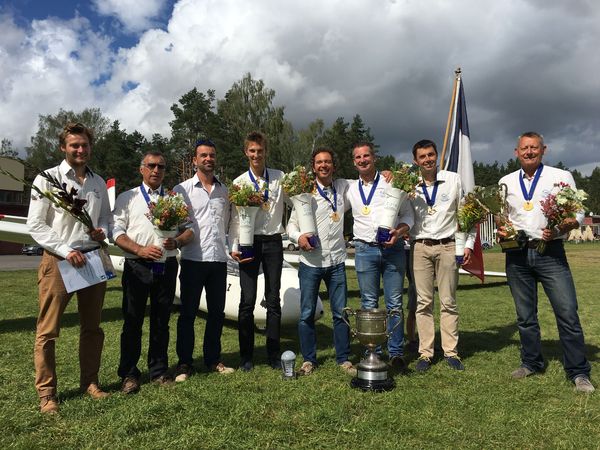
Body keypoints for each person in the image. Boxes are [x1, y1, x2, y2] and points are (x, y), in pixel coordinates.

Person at [498, 131, 594, 393]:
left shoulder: (560, 177)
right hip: (517, 254)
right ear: (516, 152)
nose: (529, 152)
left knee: (567, 313)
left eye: (534, 148)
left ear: (544, 150)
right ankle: (531, 362)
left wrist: (563, 225)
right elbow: (501, 215)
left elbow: (577, 212)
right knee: (525, 316)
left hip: (550, 253)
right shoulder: (505, 181)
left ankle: (578, 371)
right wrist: (501, 228)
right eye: (524, 148)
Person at [27, 122, 112, 414]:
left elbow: (108, 221)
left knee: (93, 328)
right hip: (58, 261)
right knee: (48, 331)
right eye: (74, 145)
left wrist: (102, 232)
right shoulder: (47, 178)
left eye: (85, 145)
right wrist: (66, 250)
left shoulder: (98, 182)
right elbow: (35, 225)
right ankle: (47, 393)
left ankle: (90, 382)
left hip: (91, 262)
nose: (80, 150)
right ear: (63, 147)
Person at [112, 151, 181, 393]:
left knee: (161, 321)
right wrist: (139, 250)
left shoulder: (173, 198)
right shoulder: (127, 197)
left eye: (161, 166)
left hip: (166, 265)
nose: (156, 170)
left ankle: (159, 371)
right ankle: (129, 374)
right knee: (132, 322)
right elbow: (117, 233)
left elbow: (188, 230)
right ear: (141, 169)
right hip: (137, 265)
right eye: (151, 166)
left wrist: (178, 241)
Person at [287, 147, 356, 376]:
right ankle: (309, 360)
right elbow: (291, 226)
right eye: (319, 162)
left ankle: (343, 358)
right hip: (310, 263)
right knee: (307, 314)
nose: (323, 165)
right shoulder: (303, 194)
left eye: (327, 161)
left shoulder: (344, 187)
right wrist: (299, 238)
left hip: (336, 262)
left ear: (333, 165)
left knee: (340, 313)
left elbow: (367, 182)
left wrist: (385, 173)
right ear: (313, 166)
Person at [345, 141, 413, 370]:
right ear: (354, 162)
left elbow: (408, 216)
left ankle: (396, 353)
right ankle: (372, 350)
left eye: (366, 156)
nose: (363, 160)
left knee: (395, 302)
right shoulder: (349, 188)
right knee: (369, 303)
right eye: (358, 157)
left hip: (393, 249)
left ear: (374, 158)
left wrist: (400, 232)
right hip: (364, 250)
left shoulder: (391, 181)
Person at [173, 139, 235, 381]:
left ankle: (213, 359)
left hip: (219, 261)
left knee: (216, 313)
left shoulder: (225, 191)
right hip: (192, 259)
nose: (208, 159)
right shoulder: (181, 190)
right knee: (187, 314)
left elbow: (230, 224)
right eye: (203, 155)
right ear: (194, 160)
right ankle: (184, 364)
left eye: (211, 155)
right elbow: (174, 224)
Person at [409, 139, 474, 372]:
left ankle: (451, 352)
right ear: (415, 161)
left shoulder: (453, 179)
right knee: (423, 302)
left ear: (437, 156)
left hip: (448, 246)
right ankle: (425, 353)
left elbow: (467, 213)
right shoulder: (409, 184)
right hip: (420, 247)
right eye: (422, 156)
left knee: (448, 301)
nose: (427, 159)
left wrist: (468, 244)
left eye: (431, 155)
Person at [230, 131, 285, 371]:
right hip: (249, 243)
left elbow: (300, 198)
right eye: (252, 151)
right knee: (247, 300)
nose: (256, 155)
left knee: (273, 299)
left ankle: (273, 354)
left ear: (266, 152)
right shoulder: (239, 183)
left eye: (260, 151)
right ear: (246, 152)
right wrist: (234, 246)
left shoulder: (280, 177)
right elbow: (235, 219)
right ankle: (246, 356)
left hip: (273, 242)